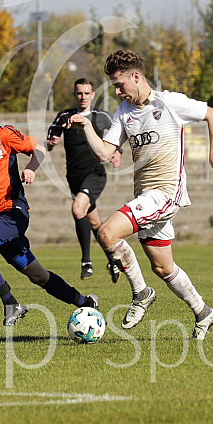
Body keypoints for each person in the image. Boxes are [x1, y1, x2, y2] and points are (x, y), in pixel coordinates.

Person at [67, 49, 213, 340]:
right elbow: (105, 152)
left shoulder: (169, 102)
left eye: (119, 84)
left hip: (165, 192)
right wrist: (87, 126)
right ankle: (203, 312)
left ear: (136, 76)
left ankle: (141, 294)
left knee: (106, 234)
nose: (117, 92)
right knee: (162, 266)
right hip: (146, 195)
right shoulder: (124, 112)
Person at [0, 88, 98, 326]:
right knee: (38, 275)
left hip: (13, 211)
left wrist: (31, 168)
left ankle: (10, 303)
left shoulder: (2, 135)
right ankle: (85, 303)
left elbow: (38, 148)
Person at [46, 78, 123, 281]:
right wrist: (52, 142)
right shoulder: (65, 116)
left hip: (95, 174)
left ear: (92, 95)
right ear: (74, 95)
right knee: (96, 223)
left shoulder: (100, 116)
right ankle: (113, 260)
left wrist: (118, 152)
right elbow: (52, 135)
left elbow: (118, 134)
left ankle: (86, 262)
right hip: (73, 178)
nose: (83, 97)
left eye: (87, 93)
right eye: (79, 93)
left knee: (77, 209)